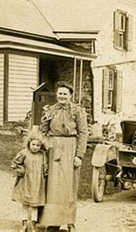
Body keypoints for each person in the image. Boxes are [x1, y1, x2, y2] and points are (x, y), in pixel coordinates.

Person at [38, 81, 89, 232]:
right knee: (53, 186)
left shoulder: (77, 111)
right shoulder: (50, 110)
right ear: (56, 94)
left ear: (70, 95)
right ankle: (53, 221)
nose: (62, 96)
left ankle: (69, 222)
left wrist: (79, 155)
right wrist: (44, 146)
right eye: (60, 93)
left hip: (70, 148)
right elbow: (43, 131)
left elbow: (83, 133)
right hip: (53, 149)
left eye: (65, 94)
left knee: (69, 186)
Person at [11, 132, 49, 231]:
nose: (35, 147)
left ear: (41, 146)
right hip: (26, 182)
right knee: (25, 204)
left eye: (38, 145)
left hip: (37, 184)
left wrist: (45, 174)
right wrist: (21, 170)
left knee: (35, 205)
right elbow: (14, 163)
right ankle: (24, 223)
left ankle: (33, 224)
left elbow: (45, 168)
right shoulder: (24, 153)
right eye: (33, 144)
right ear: (29, 143)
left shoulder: (42, 155)